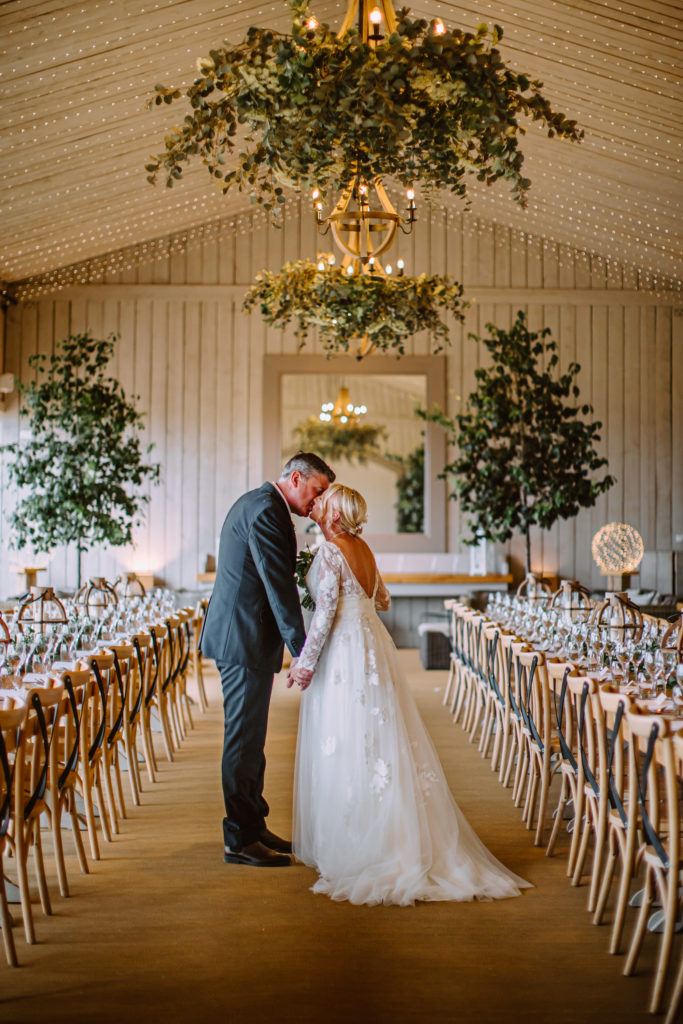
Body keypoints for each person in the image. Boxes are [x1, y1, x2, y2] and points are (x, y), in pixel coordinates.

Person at [287, 483, 532, 904]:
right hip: (372, 645)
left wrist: (305, 662)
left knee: (347, 739)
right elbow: (381, 599)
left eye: (323, 504)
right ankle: (392, 832)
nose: (318, 506)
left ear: (333, 515)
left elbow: (325, 613)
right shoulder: (362, 548)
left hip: (345, 652)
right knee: (378, 738)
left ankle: (358, 841)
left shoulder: (329, 552)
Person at [200, 452, 334, 867]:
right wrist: (303, 652)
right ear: (296, 478)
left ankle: (254, 825)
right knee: (242, 741)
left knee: (252, 741)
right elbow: (279, 587)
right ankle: (238, 839)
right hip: (241, 640)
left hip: (247, 637)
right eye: (316, 492)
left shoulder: (265, 505)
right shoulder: (264, 512)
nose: (317, 503)